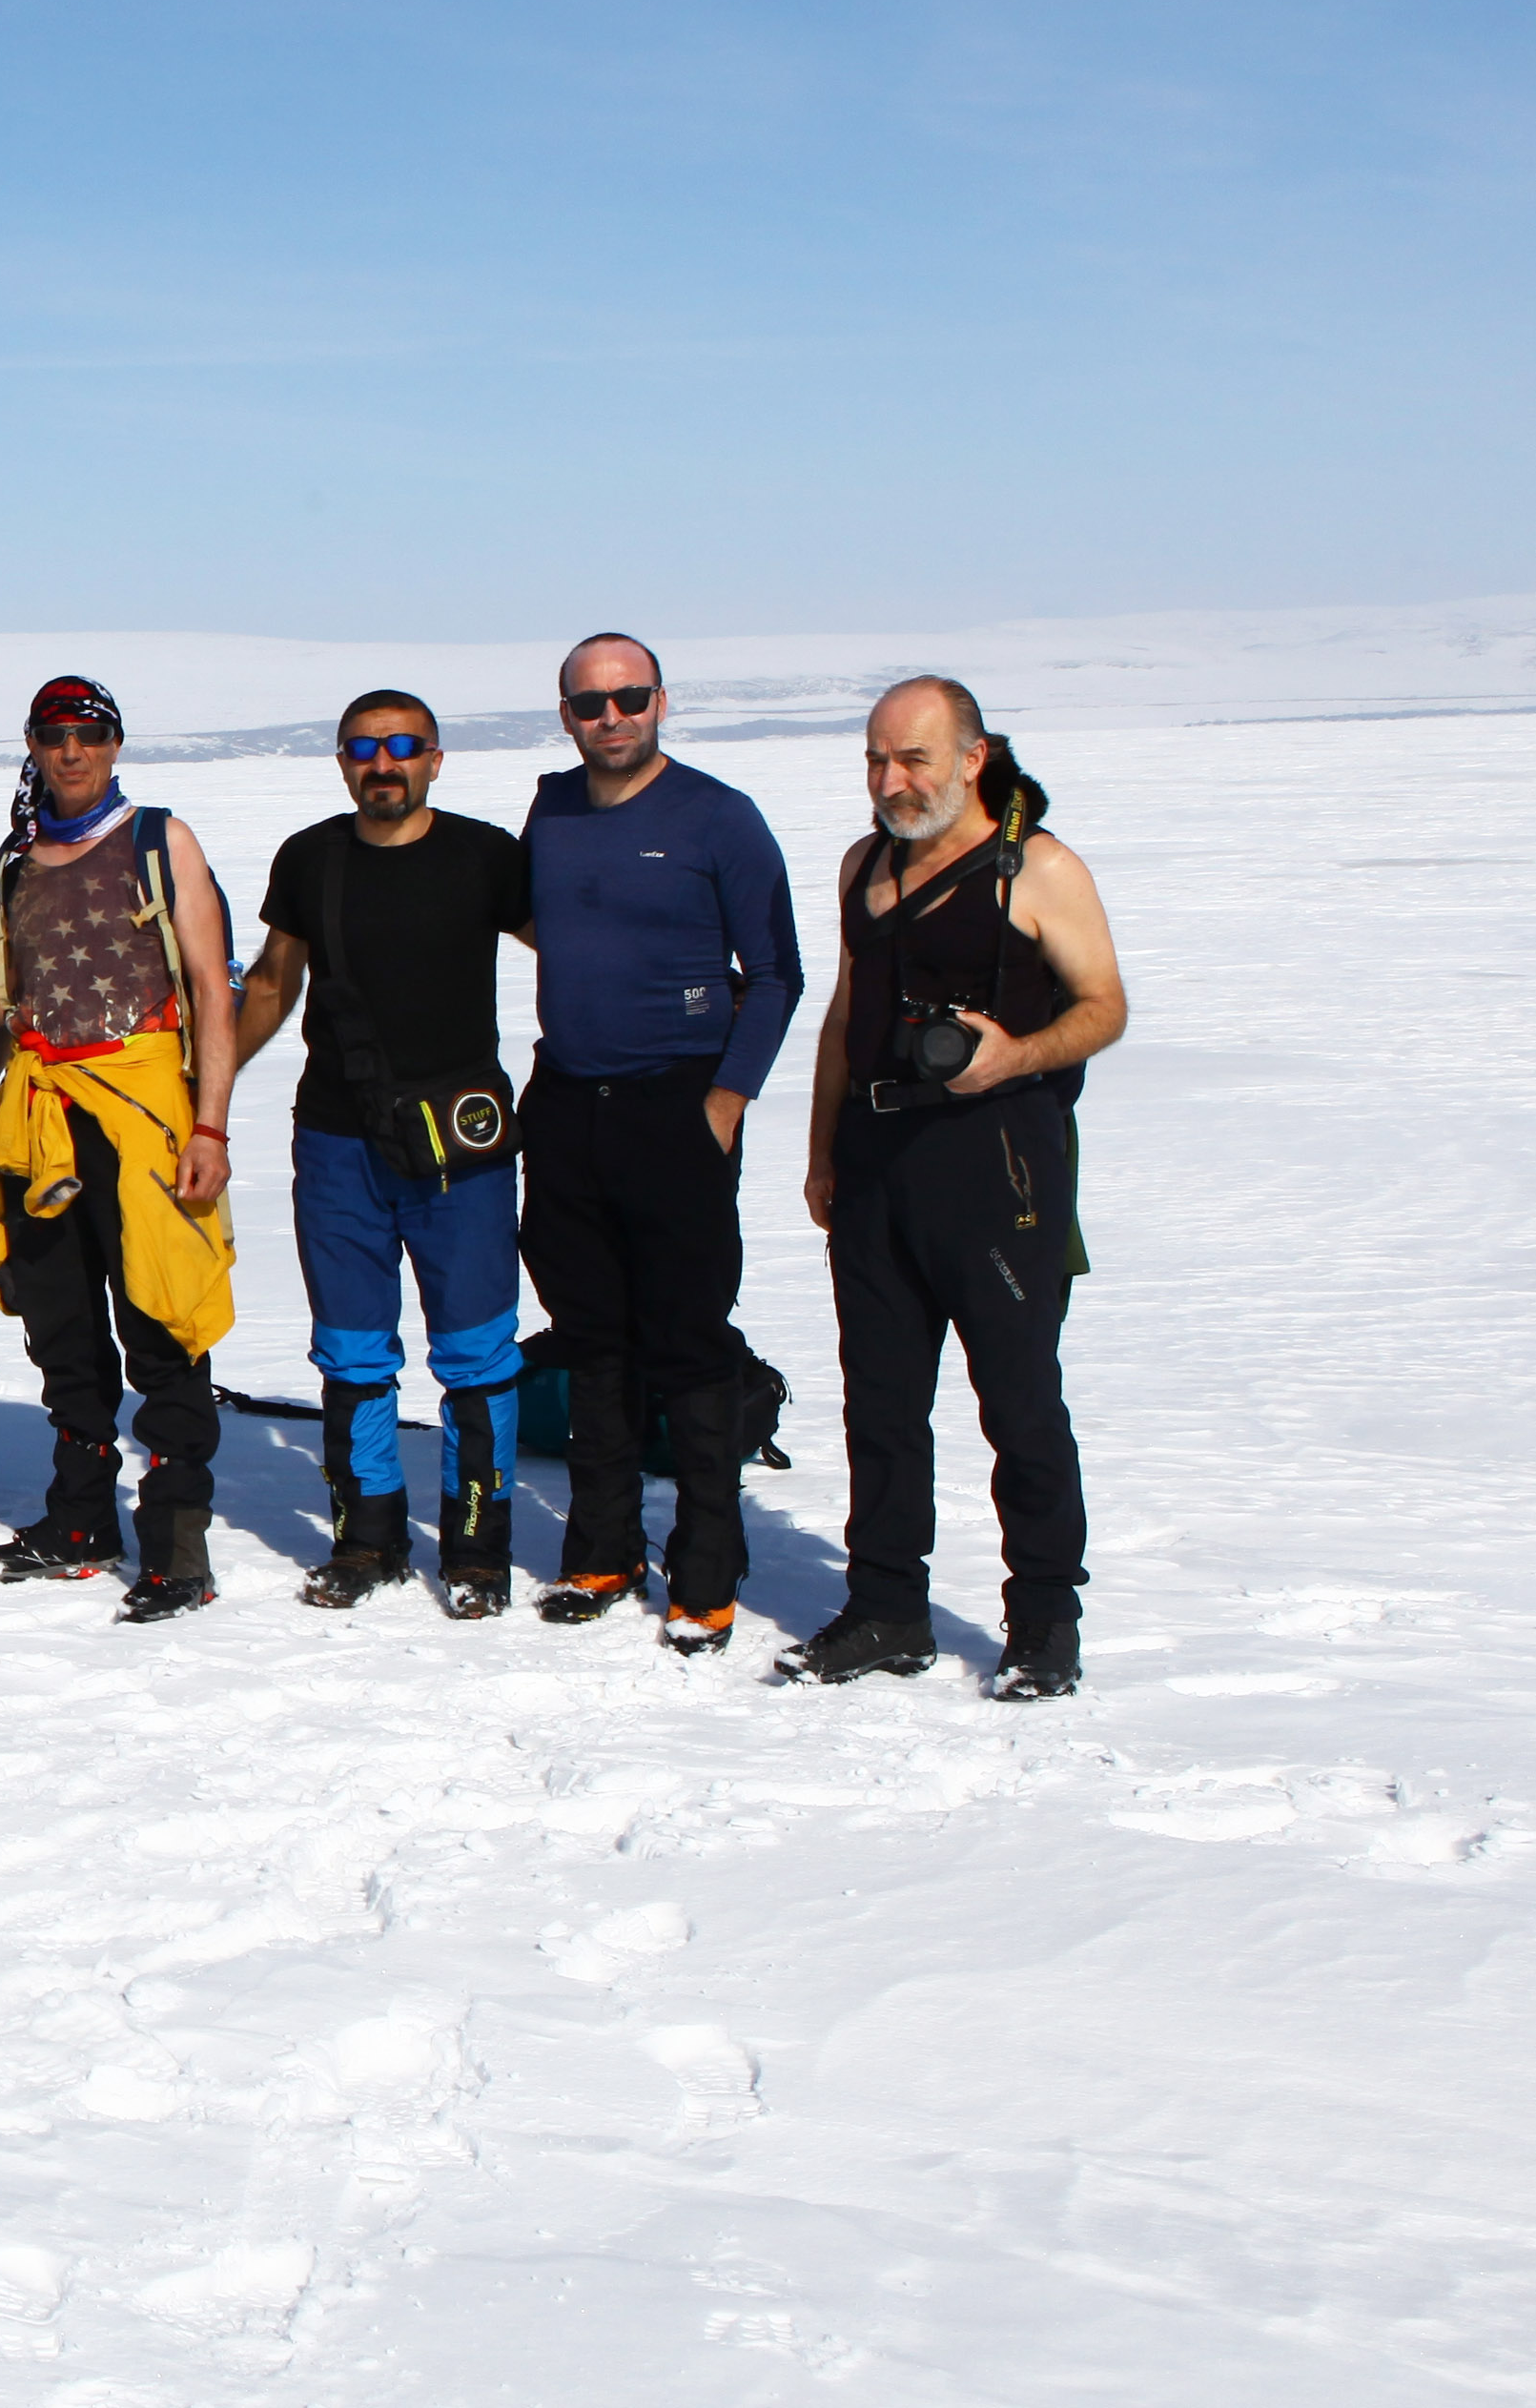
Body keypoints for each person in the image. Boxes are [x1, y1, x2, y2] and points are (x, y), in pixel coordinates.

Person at [0, 675, 239, 1622]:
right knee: (62, 1327)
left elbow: (211, 986)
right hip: (44, 1116)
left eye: (88, 733)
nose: (71, 751)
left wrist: (211, 1124)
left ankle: (178, 1543)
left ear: (113, 743)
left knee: (158, 1317)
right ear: (33, 745)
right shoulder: (21, 865)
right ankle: (81, 1518)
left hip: (144, 1111)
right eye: (54, 735)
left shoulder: (161, 841)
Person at [783, 678, 1124, 1698]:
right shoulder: (863, 865)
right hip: (878, 1167)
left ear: (972, 758)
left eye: (914, 760)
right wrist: (821, 1152)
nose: (892, 782)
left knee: (1019, 1403)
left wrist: (1013, 1057)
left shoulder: (1039, 873)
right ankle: (887, 1608)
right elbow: (846, 1014)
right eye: (877, 761)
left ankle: (1044, 1623)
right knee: (879, 1403)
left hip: (999, 1171)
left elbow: (1105, 1006)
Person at [520, 634, 804, 1653]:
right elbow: (552, 919)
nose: (611, 719)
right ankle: (601, 1550)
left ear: (660, 702)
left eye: (628, 699)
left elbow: (775, 972)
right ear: (566, 714)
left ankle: (706, 1565)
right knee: (590, 1335)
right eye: (590, 704)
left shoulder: (717, 817)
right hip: (567, 1101)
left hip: (678, 1104)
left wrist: (726, 1101)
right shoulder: (550, 810)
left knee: (687, 1339)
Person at [232, 695, 534, 1617]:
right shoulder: (310, 857)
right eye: (363, 749)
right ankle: (369, 1540)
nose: (383, 763)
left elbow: (570, 949)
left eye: (403, 747)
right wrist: (205, 1094)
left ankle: (477, 1552)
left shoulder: (485, 857)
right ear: (340, 763)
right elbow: (274, 980)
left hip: (461, 1149)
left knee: (478, 1354)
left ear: (435, 760)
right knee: (352, 1353)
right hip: (336, 1143)